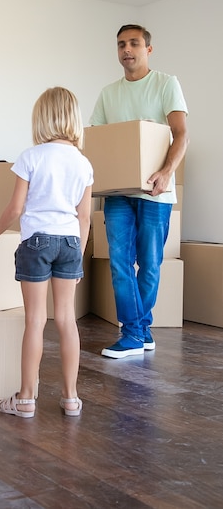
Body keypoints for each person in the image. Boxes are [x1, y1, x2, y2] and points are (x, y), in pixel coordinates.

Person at [0, 87, 93, 417]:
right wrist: (78, 258)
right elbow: (84, 217)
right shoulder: (83, 163)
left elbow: (15, 208)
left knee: (36, 321)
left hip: (36, 241)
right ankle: (71, 398)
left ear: (42, 118)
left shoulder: (31, 156)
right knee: (67, 320)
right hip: (69, 243)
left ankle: (25, 398)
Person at [90, 24, 189, 359]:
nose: (126, 50)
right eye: (121, 44)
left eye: (133, 43)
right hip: (118, 192)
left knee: (149, 264)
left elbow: (181, 135)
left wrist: (165, 173)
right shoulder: (108, 94)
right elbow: (99, 141)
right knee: (120, 262)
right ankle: (136, 332)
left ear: (149, 49)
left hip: (155, 192)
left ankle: (138, 331)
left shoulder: (166, 84)